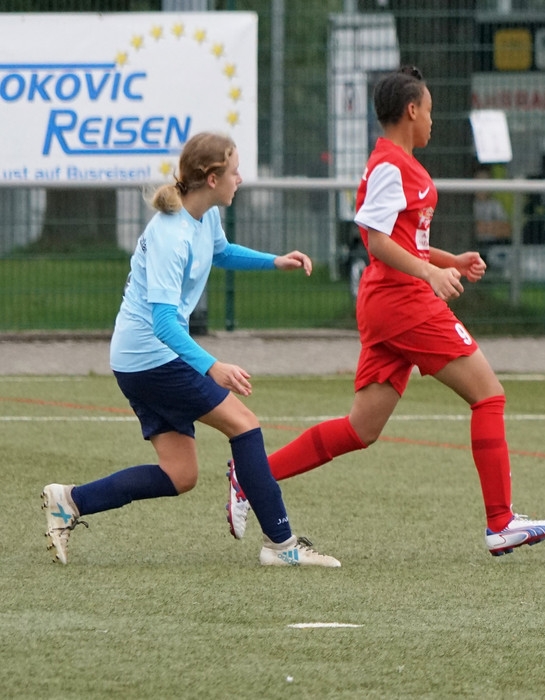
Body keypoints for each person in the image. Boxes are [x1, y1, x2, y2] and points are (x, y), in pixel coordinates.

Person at [226, 66, 545, 557]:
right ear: (410, 110)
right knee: (489, 396)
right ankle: (501, 522)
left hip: (390, 303)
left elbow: (406, 240)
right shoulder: (390, 164)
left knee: (361, 428)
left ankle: (251, 476)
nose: (432, 120)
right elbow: (377, 241)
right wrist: (429, 275)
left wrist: (449, 261)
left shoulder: (397, 163)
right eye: (428, 110)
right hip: (404, 302)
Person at [41, 132, 339, 568]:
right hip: (150, 358)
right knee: (244, 425)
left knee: (180, 474)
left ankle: (70, 501)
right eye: (235, 171)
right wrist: (211, 365)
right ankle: (281, 545)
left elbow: (222, 252)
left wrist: (274, 261)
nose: (241, 178)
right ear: (212, 178)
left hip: (142, 359)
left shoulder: (204, 216)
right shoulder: (170, 234)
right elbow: (163, 323)